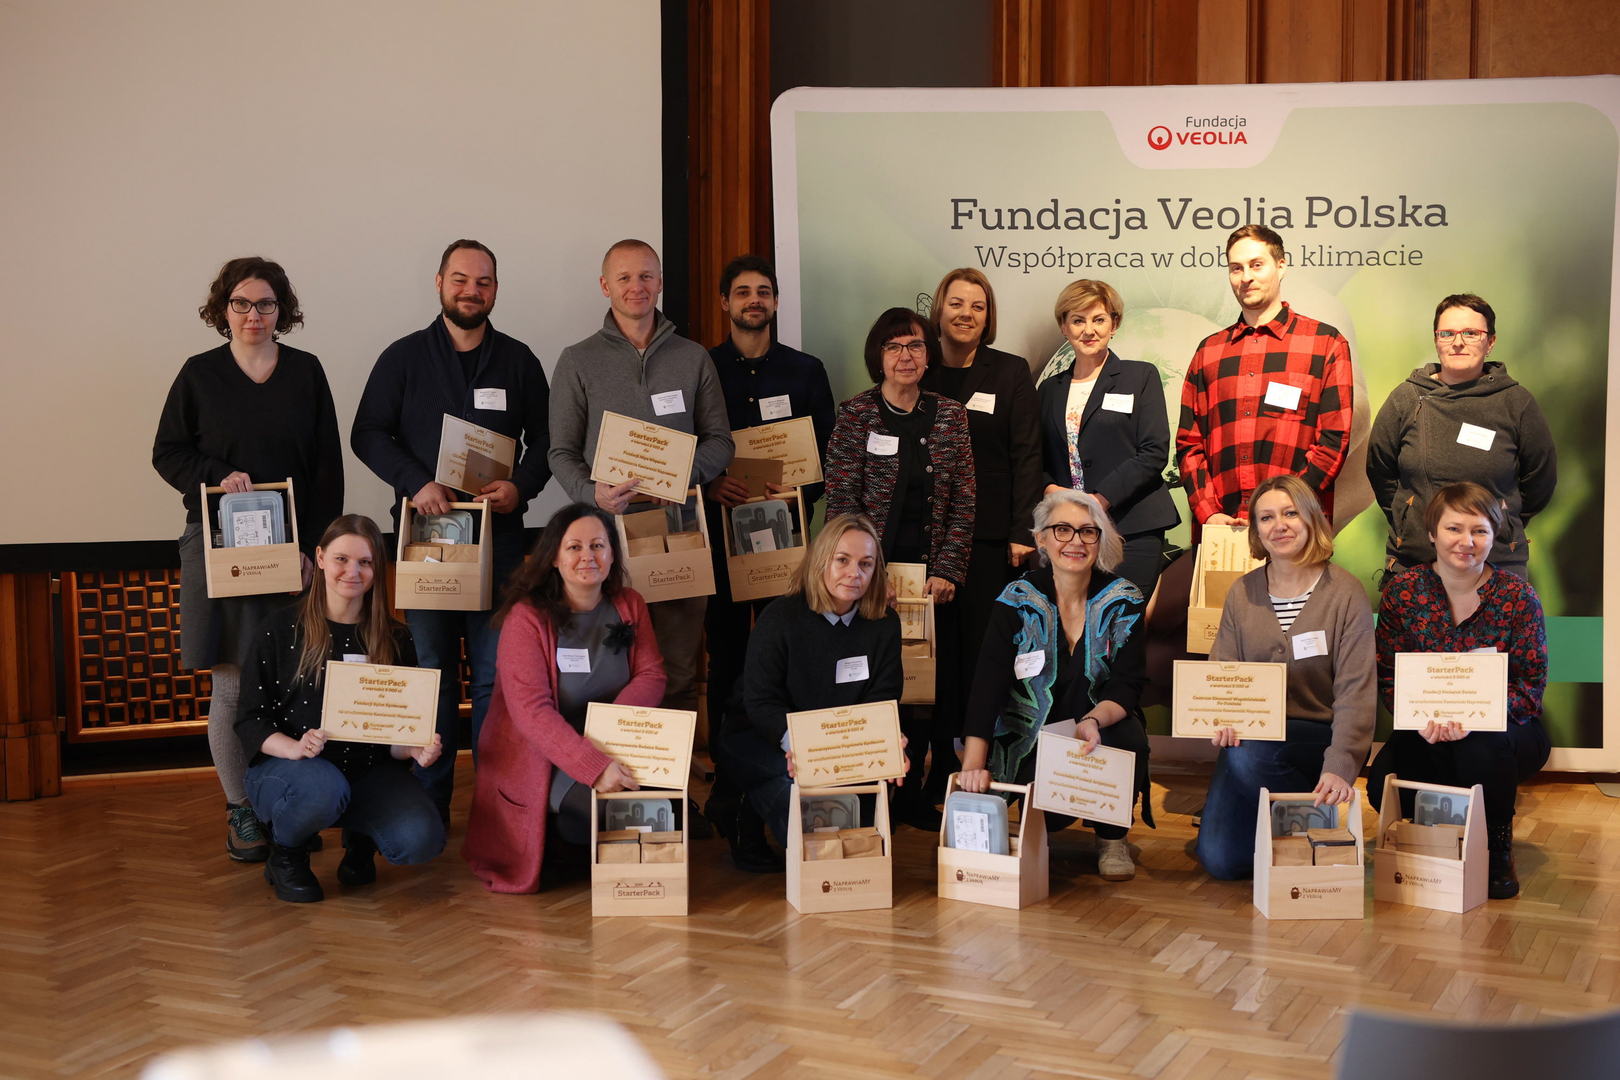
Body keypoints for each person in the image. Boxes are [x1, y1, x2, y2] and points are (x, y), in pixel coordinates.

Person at [351, 239, 552, 820]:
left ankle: (494, 805)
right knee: (431, 675)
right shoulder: (403, 358)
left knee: (494, 677)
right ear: (439, 282)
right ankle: (429, 804)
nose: (472, 290)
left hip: (500, 543)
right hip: (426, 541)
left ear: (496, 290)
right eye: (461, 279)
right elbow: (367, 433)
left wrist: (521, 487)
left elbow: (548, 441)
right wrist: (416, 482)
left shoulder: (518, 360)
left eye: (483, 282)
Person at [153, 256, 343, 863]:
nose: (253, 314)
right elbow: (167, 452)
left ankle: (287, 800)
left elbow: (327, 468)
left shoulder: (306, 372)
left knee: (296, 680)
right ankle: (241, 809)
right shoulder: (199, 374)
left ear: (281, 310)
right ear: (223, 309)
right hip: (220, 550)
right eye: (241, 303)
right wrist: (217, 474)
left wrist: (316, 549)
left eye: (265, 303)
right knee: (232, 684)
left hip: (292, 554)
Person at [548, 239, 734, 724]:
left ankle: (675, 764)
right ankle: (603, 762)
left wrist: (679, 476)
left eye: (646, 276)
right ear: (605, 285)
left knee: (678, 668)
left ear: (660, 282)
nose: (637, 287)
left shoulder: (693, 357)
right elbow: (561, 452)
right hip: (604, 539)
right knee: (605, 670)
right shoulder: (577, 360)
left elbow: (721, 442)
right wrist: (593, 494)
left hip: (680, 531)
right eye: (625, 277)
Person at [236, 516, 445, 903]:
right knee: (322, 788)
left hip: (368, 768)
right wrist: (293, 748)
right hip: (293, 771)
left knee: (420, 839)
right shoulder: (280, 628)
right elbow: (249, 719)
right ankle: (287, 855)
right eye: (341, 559)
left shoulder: (397, 637)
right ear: (319, 558)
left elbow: (395, 735)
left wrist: (415, 748)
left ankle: (361, 842)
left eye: (365, 562)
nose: (353, 572)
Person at [701, 255, 836, 847]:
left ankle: (790, 766)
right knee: (726, 656)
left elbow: (829, 453)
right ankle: (725, 783)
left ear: (776, 302)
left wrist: (796, 490)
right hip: (720, 539)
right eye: (742, 292)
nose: (753, 300)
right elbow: (689, 445)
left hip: (787, 538)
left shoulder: (806, 371)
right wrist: (711, 483)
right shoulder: (702, 367)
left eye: (763, 291)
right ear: (724, 303)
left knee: (790, 656)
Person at [462, 504, 666, 893]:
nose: (588, 556)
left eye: (598, 545)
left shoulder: (629, 603)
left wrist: (612, 734)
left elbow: (652, 674)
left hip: (612, 740)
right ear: (554, 557)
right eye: (574, 547)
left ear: (612, 553)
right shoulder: (526, 618)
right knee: (613, 813)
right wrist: (594, 766)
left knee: (660, 807)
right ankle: (564, 841)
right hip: (541, 751)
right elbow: (532, 714)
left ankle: (580, 847)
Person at [824, 307, 976, 828]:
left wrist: (949, 568)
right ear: (879, 356)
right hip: (872, 575)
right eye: (893, 347)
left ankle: (917, 791)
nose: (905, 356)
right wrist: (867, 574)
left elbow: (964, 500)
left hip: (933, 578)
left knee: (930, 682)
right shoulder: (856, 415)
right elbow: (841, 500)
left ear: (928, 354)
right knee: (881, 679)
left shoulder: (951, 415)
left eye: (914, 345)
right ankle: (879, 785)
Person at [1366, 483, 1550, 899]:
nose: (1467, 541)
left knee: (1479, 749)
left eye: (1479, 531)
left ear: (1493, 535)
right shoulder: (1404, 593)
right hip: (1427, 726)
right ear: (1432, 533)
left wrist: (1477, 717)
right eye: (1454, 529)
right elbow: (1389, 675)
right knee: (1382, 784)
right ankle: (1436, 836)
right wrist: (1417, 719)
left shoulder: (1518, 597)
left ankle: (1496, 847)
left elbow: (1530, 686)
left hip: (1505, 731)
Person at [958, 490, 1153, 880]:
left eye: (1087, 531)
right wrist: (973, 766)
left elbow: (1128, 684)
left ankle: (1112, 836)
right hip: (1029, 735)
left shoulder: (1125, 599)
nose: (1075, 542)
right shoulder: (1015, 600)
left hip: (1096, 729)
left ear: (1100, 540)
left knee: (1128, 734)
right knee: (1048, 820)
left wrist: (1094, 721)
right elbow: (987, 684)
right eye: (1062, 530)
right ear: (1041, 539)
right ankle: (1045, 813)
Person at [1195, 475, 1375, 881]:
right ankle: (1290, 830)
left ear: (1311, 518)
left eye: (1290, 513)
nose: (1279, 525)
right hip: (1251, 739)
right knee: (1223, 861)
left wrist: (1341, 763)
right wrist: (1221, 717)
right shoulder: (1242, 592)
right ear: (1256, 530)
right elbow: (1222, 670)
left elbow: (1356, 690)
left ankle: (1314, 837)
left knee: (1249, 754)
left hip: (1316, 737)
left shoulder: (1345, 593)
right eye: (1266, 517)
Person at [918, 267, 1043, 809]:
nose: (966, 314)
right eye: (956, 303)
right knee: (934, 658)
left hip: (991, 541)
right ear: (938, 309)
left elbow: (1027, 454)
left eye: (978, 305)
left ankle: (978, 766)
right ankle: (937, 768)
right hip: (928, 540)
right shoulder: (919, 366)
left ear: (988, 316)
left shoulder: (1010, 371)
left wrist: (1022, 530)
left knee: (981, 656)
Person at [716, 514, 903, 863]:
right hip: (760, 735)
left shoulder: (884, 623)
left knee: (862, 811)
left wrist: (883, 741)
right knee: (801, 787)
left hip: (836, 742)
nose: (854, 573)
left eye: (865, 563)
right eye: (842, 560)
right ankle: (745, 810)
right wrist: (803, 749)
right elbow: (761, 702)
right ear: (821, 561)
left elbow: (883, 696)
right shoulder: (781, 616)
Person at [1366, 295, 1556, 580]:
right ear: (1436, 340)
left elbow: (1540, 479)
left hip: (1496, 564)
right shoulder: (1406, 398)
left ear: (1490, 342)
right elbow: (1380, 469)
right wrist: (1410, 519)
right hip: (1415, 562)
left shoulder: (1517, 403)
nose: (1458, 342)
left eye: (1471, 333)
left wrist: (1502, 520)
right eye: (1447, 333)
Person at [1176, 225, 1354, 530]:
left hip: (1296, 527)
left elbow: (1334, 440)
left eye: (1256, 265)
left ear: (1281, 267)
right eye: (1236, 268)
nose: (1246, 277)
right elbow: (1189, 444)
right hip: (1223, 529)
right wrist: (1208, 512)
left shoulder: (1325, 343)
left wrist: (1283, 509)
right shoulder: (1209, 352)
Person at [1038, 279, 1179, 599]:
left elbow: (1154, 451)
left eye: (1098, 319)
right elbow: (1033, 456)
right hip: (1069, 533)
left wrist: (1099, 499)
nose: (1089, 330)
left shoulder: (1139, 376)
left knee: (1121, 621)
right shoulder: (1049, 390)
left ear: (1114, 324)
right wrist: (1049, 488)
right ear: (1064, 327)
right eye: (1078, 320)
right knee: (1073, 622)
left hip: (1132, 528)